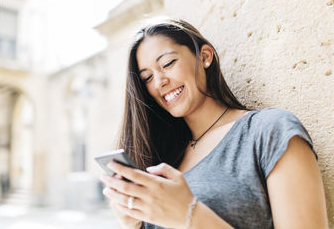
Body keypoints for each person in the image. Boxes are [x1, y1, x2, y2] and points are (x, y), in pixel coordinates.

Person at [99, 18, 329, 229]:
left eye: (168, 63)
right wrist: (133, 224)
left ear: (205, 56)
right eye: (147, 77)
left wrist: (190, 215)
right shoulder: (161, 161)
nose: (160, 82)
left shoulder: (268, 131)